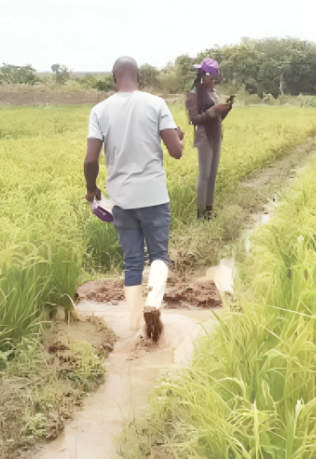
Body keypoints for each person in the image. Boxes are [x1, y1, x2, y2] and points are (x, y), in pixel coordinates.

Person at [84, 56, 184, 342]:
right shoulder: (156, 104)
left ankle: (133, 324)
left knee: (132, 261)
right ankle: (153, 304)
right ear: (138, 77)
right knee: (159, 256)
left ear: (114, 77)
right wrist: (180, 137)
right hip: (153, 196)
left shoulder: (100, 110)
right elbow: (176, 151)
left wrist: (92, 189)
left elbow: (91, 159)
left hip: (122, 201)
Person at [186, 57, 232, 220]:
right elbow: (194, 119)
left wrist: (225, 109)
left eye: (215, 79)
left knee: (212, 175)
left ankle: (209, 211)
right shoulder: (193, 94)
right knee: (204, 175)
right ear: (203, 76)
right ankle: (200, 214)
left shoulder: (213, 92)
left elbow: (217, 118)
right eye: (211, 79)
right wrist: (213, 110)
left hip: (216, 134)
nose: (214, 82)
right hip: (204, 135)